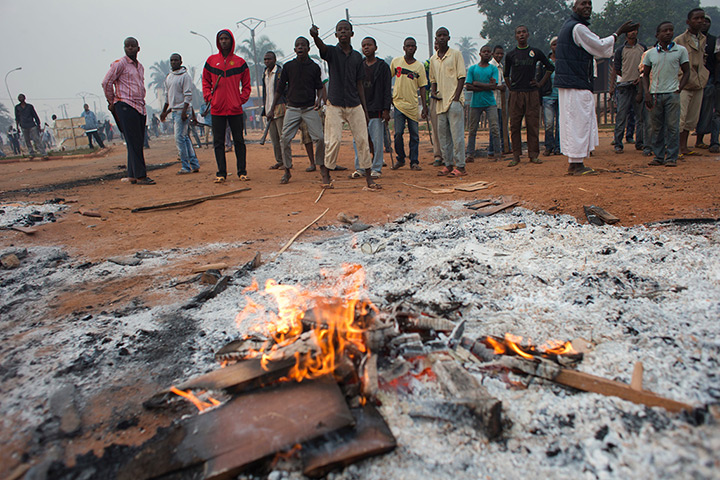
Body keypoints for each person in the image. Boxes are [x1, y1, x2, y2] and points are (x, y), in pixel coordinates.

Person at [555, 0, 635, 175]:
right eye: (583, 4)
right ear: (574, 8)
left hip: (571, 82)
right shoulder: (578, 28)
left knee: (575, 122)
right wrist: (618, 33)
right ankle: (576, 165)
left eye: (590, 4)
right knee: (578, 123)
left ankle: (575, 162)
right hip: (575, 83)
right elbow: (599, 46)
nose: (588, 7)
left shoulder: (571, 26)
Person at [310, 20, 380, 189]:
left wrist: (364, 109)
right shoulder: (332, 52)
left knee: (363, 139)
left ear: (351, 34)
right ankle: (326, 174)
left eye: (346, 30)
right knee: (334, 141)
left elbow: (360, 85)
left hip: (355, 104)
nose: (343, 32)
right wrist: (315, 37)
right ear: (335, 35)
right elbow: (322, 48)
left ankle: (369, 177)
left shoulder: (357, 57)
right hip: (335, 103)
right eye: (340, 30)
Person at [268, 36, 326, 185]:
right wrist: (271, 108)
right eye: (297, 45)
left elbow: (320, 87)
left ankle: (322, 168)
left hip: (309, 109)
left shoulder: (314, 67)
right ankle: (287, 170)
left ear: (308, 48)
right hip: (292, 108)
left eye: (303, 45)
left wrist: (319, 100)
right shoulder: (288, 67)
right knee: (285, 139)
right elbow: (279, 89)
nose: (300, 47)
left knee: (319, 138)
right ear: (294, 50)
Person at [102, 37, 154, 184]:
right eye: (127, 46)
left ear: (138, 48)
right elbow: (106, 82)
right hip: (125, 105)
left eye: (133, 46)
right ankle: (141, 175)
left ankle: (132, 174)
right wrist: (111, 101)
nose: (130, 48)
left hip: (139, 106)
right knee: (134, 141)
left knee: (136, 141)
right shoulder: (120, 64)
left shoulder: (140, 67)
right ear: (124, 48)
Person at [202, 29, 252, 183]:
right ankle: (221, 173)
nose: (224, 41)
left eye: (226, 39)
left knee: (239, 141)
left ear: (231, 41)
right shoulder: (211, 61)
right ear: (218, 41)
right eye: (221, 39)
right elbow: (205, 82)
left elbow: (247, 85)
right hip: (217, 110)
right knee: (218, 142)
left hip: (235, 109)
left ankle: (242, 171)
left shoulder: (240, 63)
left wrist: (240, 99)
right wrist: (210, 98)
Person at [504, 25, 554, 167]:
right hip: (516, 94)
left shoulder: (535, 52)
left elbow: (550, 68)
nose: (521, 35)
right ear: (515, 36)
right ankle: (516, 155)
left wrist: (540, 83)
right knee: (514, 125)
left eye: (524, 32)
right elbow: (506, 75)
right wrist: (511, 88)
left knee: (532, 125)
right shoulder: (510, 55)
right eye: (518, 32)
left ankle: (533, 155)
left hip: (532, 93)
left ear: (528, 34)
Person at [642, 22, 690, 167]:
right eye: (665, 31)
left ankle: (671, 157)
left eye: (671, 30)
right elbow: (645, 75)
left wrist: (680, 88)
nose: (668, 33)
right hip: (655, 94)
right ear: (657, 35)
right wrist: (647, 93)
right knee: (657, 127)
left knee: (672, 127)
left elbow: (687, 71)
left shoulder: (680, 51)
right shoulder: (650, 53)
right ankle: (658, 156)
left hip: (672, 94)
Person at [350, 37, 391, 179]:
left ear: (375, 47)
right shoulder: (359, 65)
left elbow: (387, 89)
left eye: (369, 45)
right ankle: (361, 168)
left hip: (377, 109)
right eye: (363, 45)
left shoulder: (383, 66)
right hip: (360, 109)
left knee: (377, 140)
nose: (366, 47)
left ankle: (376, 168)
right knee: (359, 140)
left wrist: (386, 109)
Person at [430, 27, 467, 177]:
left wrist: (456, 98)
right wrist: (433, 92)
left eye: (445, 35)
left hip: (454, 101)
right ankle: (448, 164)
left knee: (457, 135)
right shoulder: (433, 59)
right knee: (443, 136)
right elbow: (432, 80)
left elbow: (461, 77)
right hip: (440, 103)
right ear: (436, 38)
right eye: (439, 35)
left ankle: (461, 166)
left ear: (449, 38)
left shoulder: (456, 55)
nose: (442, 38)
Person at [390, 37, 428, 171]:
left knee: (414, 135)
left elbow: (423, 87)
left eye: (412, 46)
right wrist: (388, 97)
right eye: (408, 46)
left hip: (412, 105)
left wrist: (424, 106)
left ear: (416, 48)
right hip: (398, 104)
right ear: (404, 48)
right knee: (398, 133)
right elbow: (387, 78)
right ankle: (400, 158)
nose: (410, 48)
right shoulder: (396, 62)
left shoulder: (419, 66)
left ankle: (414, 161)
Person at [674, 8, 709, 157]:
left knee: (691, 118)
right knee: (680, 118)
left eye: (702, 18)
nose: (700, 21)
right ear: (688, 22)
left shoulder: (703, 39)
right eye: (696, 18)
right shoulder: (679, 40)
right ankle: (675, 148)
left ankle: (684, 147)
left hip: (699, 82)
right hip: (684, 83)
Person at [160, 53, 200, 175]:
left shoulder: (185, 76)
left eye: (176, 60)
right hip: (174, 111)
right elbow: (168, 97)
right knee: (185, 138)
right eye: (171, 60)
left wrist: (184, 112)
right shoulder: (169, 77)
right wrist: (164, 111)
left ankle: (185, 166)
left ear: (180, 61)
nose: (173, 62)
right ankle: (194, 164)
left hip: (182, 112)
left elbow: (188, 96)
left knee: (179, 139)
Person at [465, 45, 503, 162]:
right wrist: (486, 86)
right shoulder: (473, 69)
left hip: (490, 102)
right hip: (475, 103)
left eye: (488, 52)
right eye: (484, 52)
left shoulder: (493, 69)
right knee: (472, 130)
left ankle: (497, 153)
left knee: (495, 128)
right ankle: (470, 154)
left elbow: (494, 86)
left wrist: (477, 83)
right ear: (480, 54)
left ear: (490, 54)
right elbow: (468, 86)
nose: (486, 54)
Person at [694, 14, 716, 151]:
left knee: (706, 110)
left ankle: (700, 139)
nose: (704, 23)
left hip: (709, 78)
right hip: (691, 79)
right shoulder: (690, 39)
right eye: (701, 20)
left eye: (707, 21)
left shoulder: (714, 40)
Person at [262, 51, 286, 170]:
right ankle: (279, 161)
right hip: (268, 108)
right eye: (265, 59)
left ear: (275, 60)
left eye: (269, 59)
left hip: (279, 108)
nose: (267, 61)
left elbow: (282, 91)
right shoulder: (265, 74)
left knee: (283, 137)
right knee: (274, 138)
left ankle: (287, 162)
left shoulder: (280, 73)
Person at [538, 37, 561, 156]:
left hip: (561, 95)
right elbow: (539, 79)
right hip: (548, 96)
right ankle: (548, 146)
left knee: (560, 123)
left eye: (559, 44)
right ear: (551, 46)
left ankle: (558, 147)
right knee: (549, 123)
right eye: (554, 44)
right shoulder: (544, 63)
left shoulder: (564, 61)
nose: (556, 46)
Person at [14, 94, 48, 159]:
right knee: (27, 140)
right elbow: (17, 118)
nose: (20, 98)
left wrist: (38, 124)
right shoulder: (17, 107)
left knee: (37, 139)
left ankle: (43, 153)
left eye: (21, 97)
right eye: (19, 97)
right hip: (23, 126)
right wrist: (17, 127)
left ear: (24, 98)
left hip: (32, 125)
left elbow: (35, 115)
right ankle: (31, 153)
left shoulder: (29, 106)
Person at [488, 45, 508, 157]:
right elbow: (489, 84)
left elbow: (503, 81)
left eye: (501, 54)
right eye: (497, 54)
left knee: (500, 124)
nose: (499, 55)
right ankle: (492, 149)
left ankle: (500, 147)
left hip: (500, 101)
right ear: (493, 54)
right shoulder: (491, 66)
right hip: (492, 100)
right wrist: (499, 87)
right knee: (494, 126)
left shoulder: (500, 67)